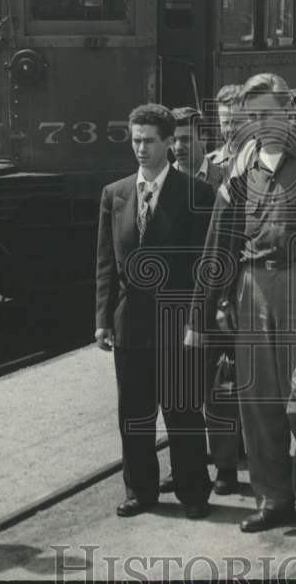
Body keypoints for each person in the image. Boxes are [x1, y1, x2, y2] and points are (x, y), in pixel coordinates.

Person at [189, 73, 296, 539]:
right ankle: (272, 500)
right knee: (258, 401)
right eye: (251, 117)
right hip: (253, 286)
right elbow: (222, 238)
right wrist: (218, 300)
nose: (258, 124)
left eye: (267, 114)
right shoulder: (242, 166)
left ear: (289, 113)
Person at [96, 104, 213, 520]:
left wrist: (198, 320)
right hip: (130, 321)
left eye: (148, 141)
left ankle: (193, 491)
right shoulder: (115, 194)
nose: (140, 148)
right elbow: (105, 263)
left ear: (168, 143)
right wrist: (102, 320)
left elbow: (205, 267)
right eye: (135, 140)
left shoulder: (196, 195)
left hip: (176, 320)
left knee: (182, 411)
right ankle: (140, 491)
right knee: (133, 412)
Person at [171, 106, 241, 493]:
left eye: (186, 139)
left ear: (202, 138)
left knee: (219, 388)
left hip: (214, 296)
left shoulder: (222, 180)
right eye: (174, 140)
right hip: (176, 299)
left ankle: (226, 466)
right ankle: (186, 464)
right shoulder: (163, 181)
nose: (180, 147)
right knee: (180, 390)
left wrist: (223, 298)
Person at [172, 107, 223, 188]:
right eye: (173, 140)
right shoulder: (160, 181)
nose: (178, 147)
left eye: (185, 139)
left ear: (204, 138)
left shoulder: (227, 178)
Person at [207, 84, 241, 172]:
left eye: (236, 122)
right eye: (225, 123)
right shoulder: (210, 164)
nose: (230, 129)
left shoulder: (266, 159)